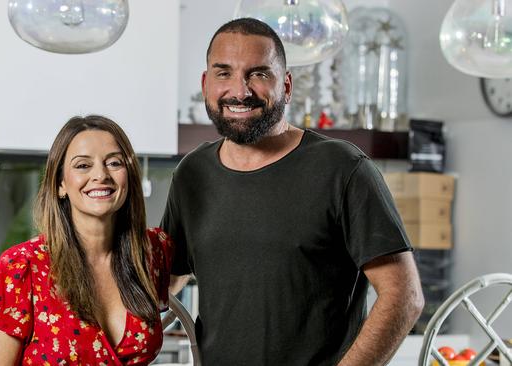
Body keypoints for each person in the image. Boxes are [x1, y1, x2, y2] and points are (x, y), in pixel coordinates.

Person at [162, 18, 424, 365]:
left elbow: (403, 296)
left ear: (286, 86)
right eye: (223, 73)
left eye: (258, 73)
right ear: (205, 83)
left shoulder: (342, 168)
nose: (240, 91)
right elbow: (166, 280)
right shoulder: (192, 173)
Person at [0, 115, 173, 365]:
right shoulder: (21, 268)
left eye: (114, 163)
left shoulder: (150, 252)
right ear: (61, 183)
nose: (101, 175)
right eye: (83, 166)